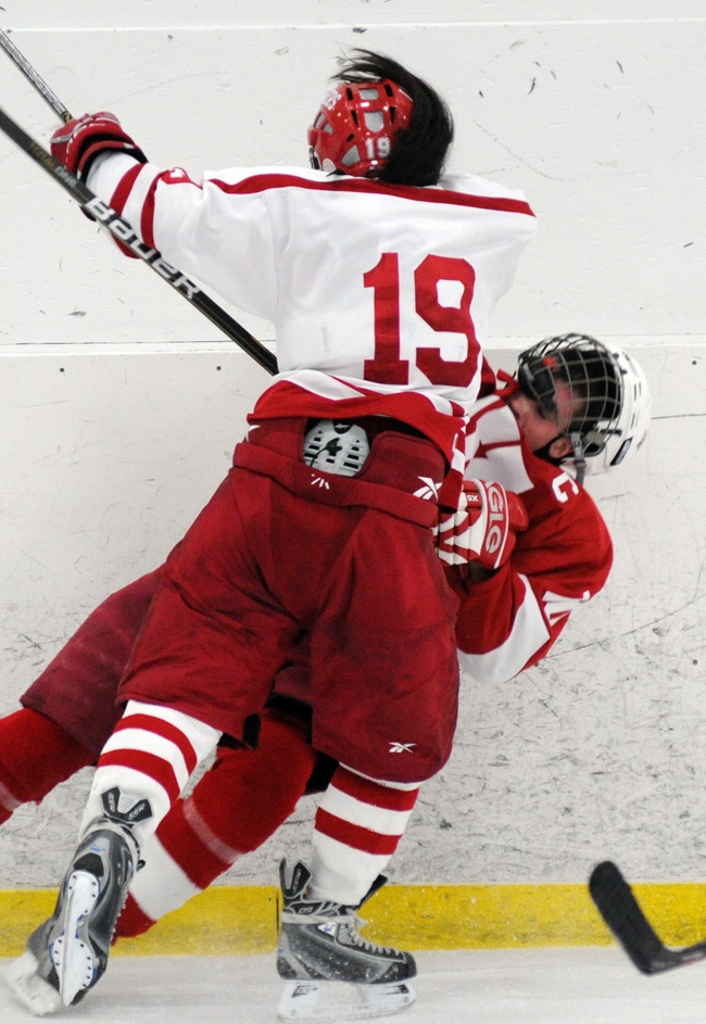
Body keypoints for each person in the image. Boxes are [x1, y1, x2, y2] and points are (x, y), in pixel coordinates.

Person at [22, 47, 538, 1012]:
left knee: (190, 661)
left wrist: (99, 155)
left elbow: (157, 200)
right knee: (399, 729)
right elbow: (399, 217)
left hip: (277, 474)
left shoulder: (293, 203)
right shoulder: (502, 220)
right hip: (399, 494)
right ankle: (327, 922)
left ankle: (117, 823)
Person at [3, 334, 651, 1018]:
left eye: (554, 404)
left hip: (339, 656)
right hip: (249, 583)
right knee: (66, 719)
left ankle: (85, 929)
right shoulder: (450, 377)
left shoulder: (576, 541)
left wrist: (485, 565)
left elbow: (490, 657)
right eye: (534, 381)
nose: (524, 401)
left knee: (259, 788)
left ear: (582, 445)